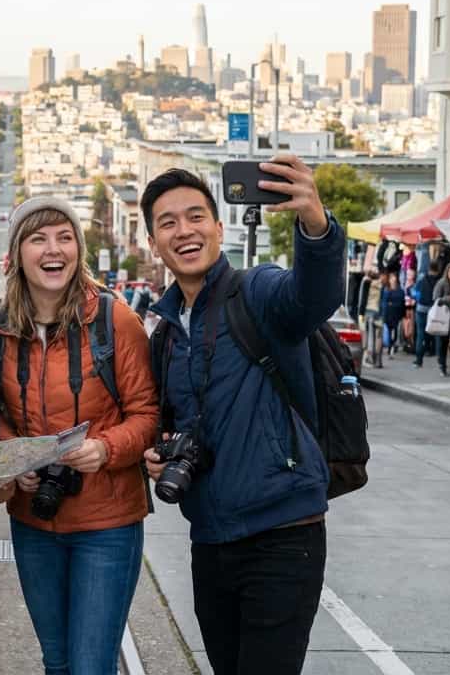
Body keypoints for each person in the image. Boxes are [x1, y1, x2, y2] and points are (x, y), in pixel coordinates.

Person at [140, 159, 345, 675]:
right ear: (152, 243)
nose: (183, 231)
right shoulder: (165, 335)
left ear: (218, 227)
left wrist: (315, 227)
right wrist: (159, 459)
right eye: (167, 223)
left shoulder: (257, 293)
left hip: (283, 533)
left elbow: (314, 295)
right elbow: (174, 426)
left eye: (195, 217)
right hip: (210, 539)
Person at [0, 197, 159, 675]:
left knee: (90, 665)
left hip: (107, 524)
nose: (52, 249)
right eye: (37, 238)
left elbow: (147, 415)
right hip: (34, 522)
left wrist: (104, 449)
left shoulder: (113, 321)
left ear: (78, 249)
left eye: (64, 237)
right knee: (57, 662)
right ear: (17, 253)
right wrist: (16, 466)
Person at [413, 260, 441, 368]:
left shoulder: (422, 278)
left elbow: (415, 293)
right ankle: (440, 360)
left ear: (428, 268)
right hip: (435, 309)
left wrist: (418, 299)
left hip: (422, 309)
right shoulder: (440, 280)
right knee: (438, 334)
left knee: (421, 334)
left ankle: (419, 360)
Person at [357, 268, 384, 369]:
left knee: (369, 336)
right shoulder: (381, 285)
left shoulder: (366, 283)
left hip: (368, 311)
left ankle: (370, 358)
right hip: (379, 312)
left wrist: (360, 314)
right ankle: (378, 360)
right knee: (379, 337)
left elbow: (362, 299)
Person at [381, 271, 406, 358]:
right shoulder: (386, 290)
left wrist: (403, 314)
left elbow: (402, 303)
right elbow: (384, 302)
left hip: (396, 315)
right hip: (388, 314)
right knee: (388, 331)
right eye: (391, 278)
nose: (393, 280)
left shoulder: (400, 291)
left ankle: (392, 346)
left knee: (395, 332)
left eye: (394, 278)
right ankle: (389, 347)